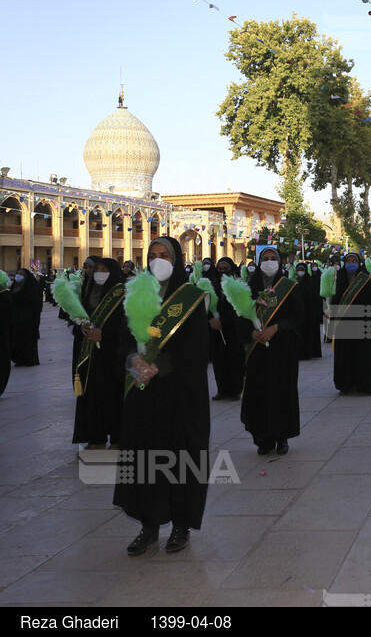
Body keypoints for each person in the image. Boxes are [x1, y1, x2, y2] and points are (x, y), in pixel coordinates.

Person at [114, 236, 210, 556]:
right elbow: (122, 336)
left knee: (180, 459)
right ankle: (149, 526)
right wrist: (133, 360)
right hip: (143, 395)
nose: (158, 261)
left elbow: (197, 348)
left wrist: (160, 365)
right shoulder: (135, 294)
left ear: (177, 259)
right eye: (152, 255)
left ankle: (181, 526)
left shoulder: (193, 298)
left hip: (179, 394)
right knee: (144, 458)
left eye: (164, 255)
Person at [238, 247, 302, 455]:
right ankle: (263, 438)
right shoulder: (248, 288)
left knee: (281, 391)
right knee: (259, 392)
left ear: (280, 262)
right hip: (258, 352)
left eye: (273, 258)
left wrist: (276, 327)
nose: (269, 262)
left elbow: (298, 317)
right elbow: (239, 319)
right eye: (265, 258)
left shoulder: (290, 287)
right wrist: (252, 333)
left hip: (283, 349)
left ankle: (282, 436)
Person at [71, 258, 126, 450]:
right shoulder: (90, 290)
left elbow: (126, 325)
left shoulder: (122, 293)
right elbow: (81, 318)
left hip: (112, 354)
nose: (99, 272)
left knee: (113, 396)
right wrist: (83, 329)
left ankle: (118, 438)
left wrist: (105, 334)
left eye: (104, 269)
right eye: (97, 269)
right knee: (93, 396)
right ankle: (96, 436)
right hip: (91, 354)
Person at [329, 252, 371, 395]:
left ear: (358, 263)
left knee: (363, 355)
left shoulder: (365, 280)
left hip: (363, 323)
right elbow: (335, 301)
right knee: (345, 356)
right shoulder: (339, 279)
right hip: (344, 325)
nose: (351, 263)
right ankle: (346, 384)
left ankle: (364, 384)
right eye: (348, 261)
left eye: (354, 261)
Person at [208, 258, 245, 400]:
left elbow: (239, 308)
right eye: (220, 268)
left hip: (234, 330)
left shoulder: (238, 285)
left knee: (234, 359)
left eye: (226, 268)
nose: (223, 271)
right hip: (217, 331)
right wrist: (211, 320)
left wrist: (223, 320)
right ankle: (222, 390)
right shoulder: (213, 286)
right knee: (219, 360)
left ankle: (235, 390)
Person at [10, 268, 42, 366]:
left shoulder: (30, 287)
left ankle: (29, 359)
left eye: (21, 274)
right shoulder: (14, 286)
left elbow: (34, 302)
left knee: (27, 339)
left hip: (28, 319)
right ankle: (19, 359)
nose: (18, 276)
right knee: (17, 339)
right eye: (18, 273)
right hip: (16, 318)